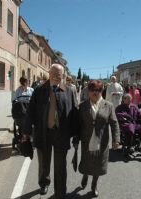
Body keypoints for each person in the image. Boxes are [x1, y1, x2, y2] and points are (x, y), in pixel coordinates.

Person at [22, 64, 78, 199]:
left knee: (60, 165)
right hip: (43, 132)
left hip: (61, 134)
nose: (56, 76)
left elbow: (74, 113)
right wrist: (26, 133)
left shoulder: (69, 91)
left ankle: (60, 191)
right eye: (53, 73)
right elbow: (30, 113)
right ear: (49, 73)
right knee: (44, 162)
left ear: (63, 76)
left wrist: (76, 134)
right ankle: (44, 183)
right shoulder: (39, 90)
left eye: (59, 74)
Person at [73, 80, 120, 197]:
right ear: (88, 91)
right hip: (86, 140)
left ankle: (94, 185)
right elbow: (77, 125)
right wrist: (75, 140)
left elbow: (114, 123)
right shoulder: (82, 106)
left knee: (98, 165)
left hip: (102, 142)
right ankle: (85, 174)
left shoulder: (108, 105)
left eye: (98, 90)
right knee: (86, 162)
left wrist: (116, 139)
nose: (95, 92)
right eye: (93, 90)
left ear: (102, 91)